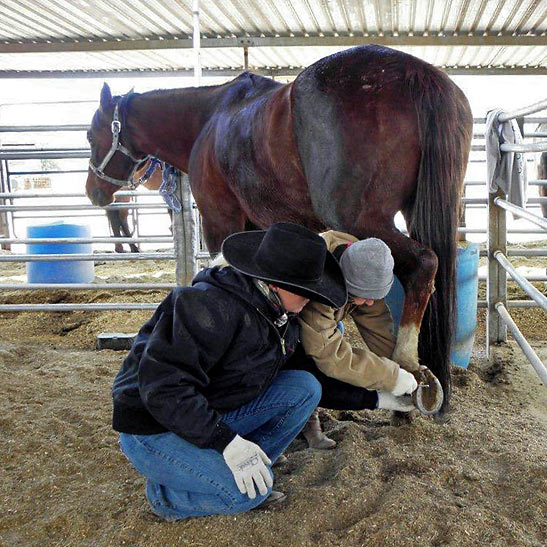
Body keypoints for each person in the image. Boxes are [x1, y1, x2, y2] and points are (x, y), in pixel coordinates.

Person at [112, 222, 347, 520]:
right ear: (275, 283)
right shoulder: (208, 306)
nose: (310, 299)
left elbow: (319, 374)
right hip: (153, 425)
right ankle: (165, 497)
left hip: (207, 407)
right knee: (244, 496)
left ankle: (250, 466)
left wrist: (382, 394)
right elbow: (162, 389)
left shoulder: (277, 311)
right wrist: (226, 442)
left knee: (305, 388)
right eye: (305, 292)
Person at [297, 231, 419, 449]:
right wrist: (390, 377)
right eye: (366, 296)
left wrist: (403, 367)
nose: (371, 302)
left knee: (338, 327)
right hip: (274, 332)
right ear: (345, 282)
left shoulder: (361, 258)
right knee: (308, 360)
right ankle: (304, 418)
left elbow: (375, 318)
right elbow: (329, 356)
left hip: (320, 318)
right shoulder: (319, 283)